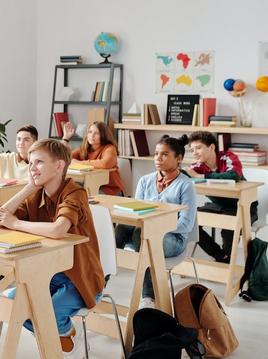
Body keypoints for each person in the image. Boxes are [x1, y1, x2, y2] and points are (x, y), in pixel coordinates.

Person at [0, 139, 104, 359]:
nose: (32, 168)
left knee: (48, 314)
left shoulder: (76, 193)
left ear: (59, 166)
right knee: (13, 304)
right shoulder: (36, 194)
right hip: (49, 274)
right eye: (31, 163)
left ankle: (69, 348)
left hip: (80, 277)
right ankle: (69, 334)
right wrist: (28, 188)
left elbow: (58, 229)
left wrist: (15, 223)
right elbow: (0, 216)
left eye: (39, 162)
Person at [115, 135, 197, 310]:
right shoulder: (145, 180)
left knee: (142, 235)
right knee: (122, 228)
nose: (158, 159)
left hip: (174, 240)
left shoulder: (185, 185)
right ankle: (98, 283)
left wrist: (155, 228)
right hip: (145, 235)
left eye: (165, 154)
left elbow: (186, 224)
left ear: (179, 158)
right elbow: (136, 213)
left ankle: (148, 297)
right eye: (156, 154)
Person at [182, 131, 258, 263]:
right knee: (188, 221)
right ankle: (220, 256)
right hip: (218, 206)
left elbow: (233, 175)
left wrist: (201, 177)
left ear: (212, 147)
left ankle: (226, 264)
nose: (194, 153)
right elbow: (182, 174)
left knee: (229, 229)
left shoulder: (228, 157)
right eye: (192, 150)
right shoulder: (198, 166)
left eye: (198, 148)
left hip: (244, 207)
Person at [0, 108, 38, 214]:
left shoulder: (40, 162)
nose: (21, 143)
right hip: (4, 203)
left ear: (35, 142)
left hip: (28, 205)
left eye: (26, 140)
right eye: (18, 139)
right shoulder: (7, 159)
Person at [62, 121, 125, 196]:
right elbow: (62, 156)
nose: (92, 135)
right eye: (90, 132)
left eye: (96, 133)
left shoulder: (109, 148)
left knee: (81, 195)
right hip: (89, 187)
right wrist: (65, 138)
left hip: (111, 190)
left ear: (103, 135)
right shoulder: (84, 149)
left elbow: (106, 164)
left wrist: (79, 163)